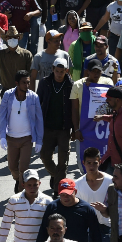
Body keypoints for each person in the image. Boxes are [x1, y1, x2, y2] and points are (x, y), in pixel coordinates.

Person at [0, 70, 44, 190]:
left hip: (27, 139)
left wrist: (39, 140)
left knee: (23, 169)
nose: (27, 85)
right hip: (11, 138)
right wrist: (2, 135)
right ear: (17, 83)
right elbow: (2, 115)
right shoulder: (8, 95)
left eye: (28, 82)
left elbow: (39, 119)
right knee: (12, 167)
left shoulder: (33, 97)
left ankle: (20, 192)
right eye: (24, 83)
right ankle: (18, 180)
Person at [37, 60, 74, 189]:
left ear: (66, 71)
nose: (59, 74)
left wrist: (75, 129)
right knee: (45, 157)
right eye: (57, 71)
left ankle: (59, 192)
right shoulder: (44, 83)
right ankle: (56, 176)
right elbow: (37, 104)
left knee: (63, 162)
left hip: (64, 129)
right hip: (47, 127)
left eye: (62, 71)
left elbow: (75, 109)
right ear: (52, 69)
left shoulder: (71, 85)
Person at [36, 179, 103, 242]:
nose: (66, 197)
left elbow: (95, 232)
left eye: (69, 194)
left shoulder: (87, 209)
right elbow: (43, 230)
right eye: (62, 194)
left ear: (75, 192)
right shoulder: (52, 207)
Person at [0, 169, 53, 242]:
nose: (32, 188)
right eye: (29, 185)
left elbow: (52, 225)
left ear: (39, 183)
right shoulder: (14, 200)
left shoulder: (48, 201)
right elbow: (6, 224)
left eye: (35, 185)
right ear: (23, 185)